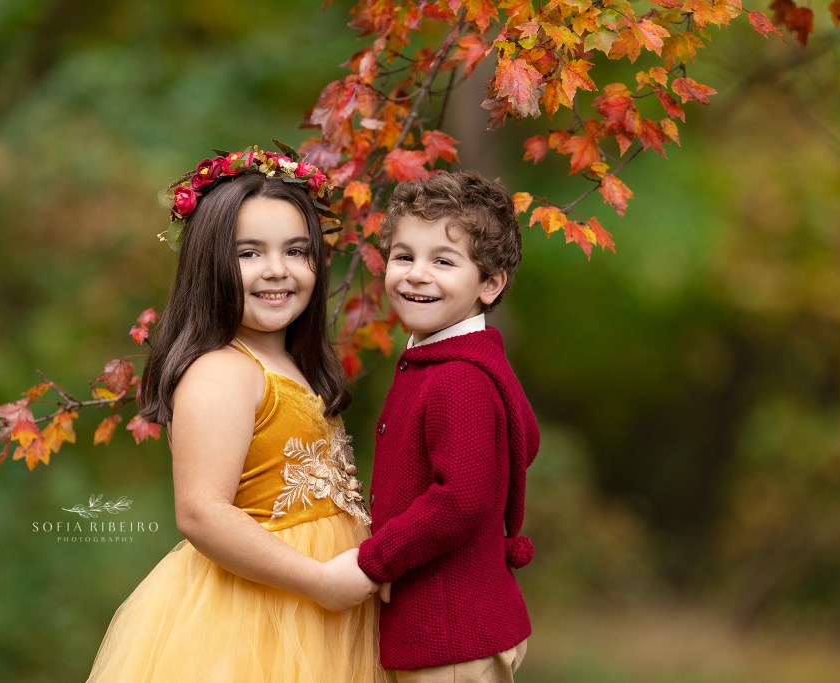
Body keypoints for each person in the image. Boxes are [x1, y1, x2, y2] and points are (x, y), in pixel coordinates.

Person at [87, 147, 383, 682]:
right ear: (209, 262)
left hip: (322, 603)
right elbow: (201, 511)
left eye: (296, 251)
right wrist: (318, 580)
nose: (277, 271)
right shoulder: (223, 370)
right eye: (249, 253)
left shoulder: (288, 360)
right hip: (266, 614)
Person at [355, 171, 541, 682]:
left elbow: (461, 499)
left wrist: (374, 561)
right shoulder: (438, 359)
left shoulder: (460, 378)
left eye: (443, 261)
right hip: (436, 631)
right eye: (403, 256)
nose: (416, 274)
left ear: (489, 283)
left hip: (452, 639)